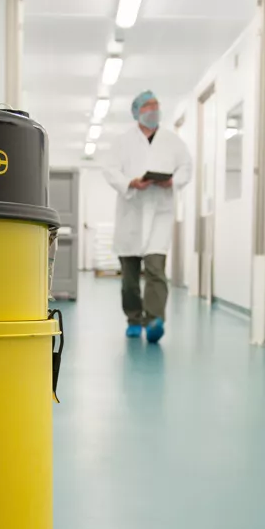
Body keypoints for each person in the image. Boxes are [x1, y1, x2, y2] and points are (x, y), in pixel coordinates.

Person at [102, 91, 192, 343]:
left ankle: (154, 320)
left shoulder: (173, 141)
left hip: (160, 212)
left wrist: (173, 181)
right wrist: (130, 182)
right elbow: (109, 169)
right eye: (148, 106)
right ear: (137, 112)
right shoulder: (122, 142)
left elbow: (186, 166)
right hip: (131, 211)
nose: (153, 110)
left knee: (155, 269)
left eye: (156, 105)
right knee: (130, 279)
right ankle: (133, 318)